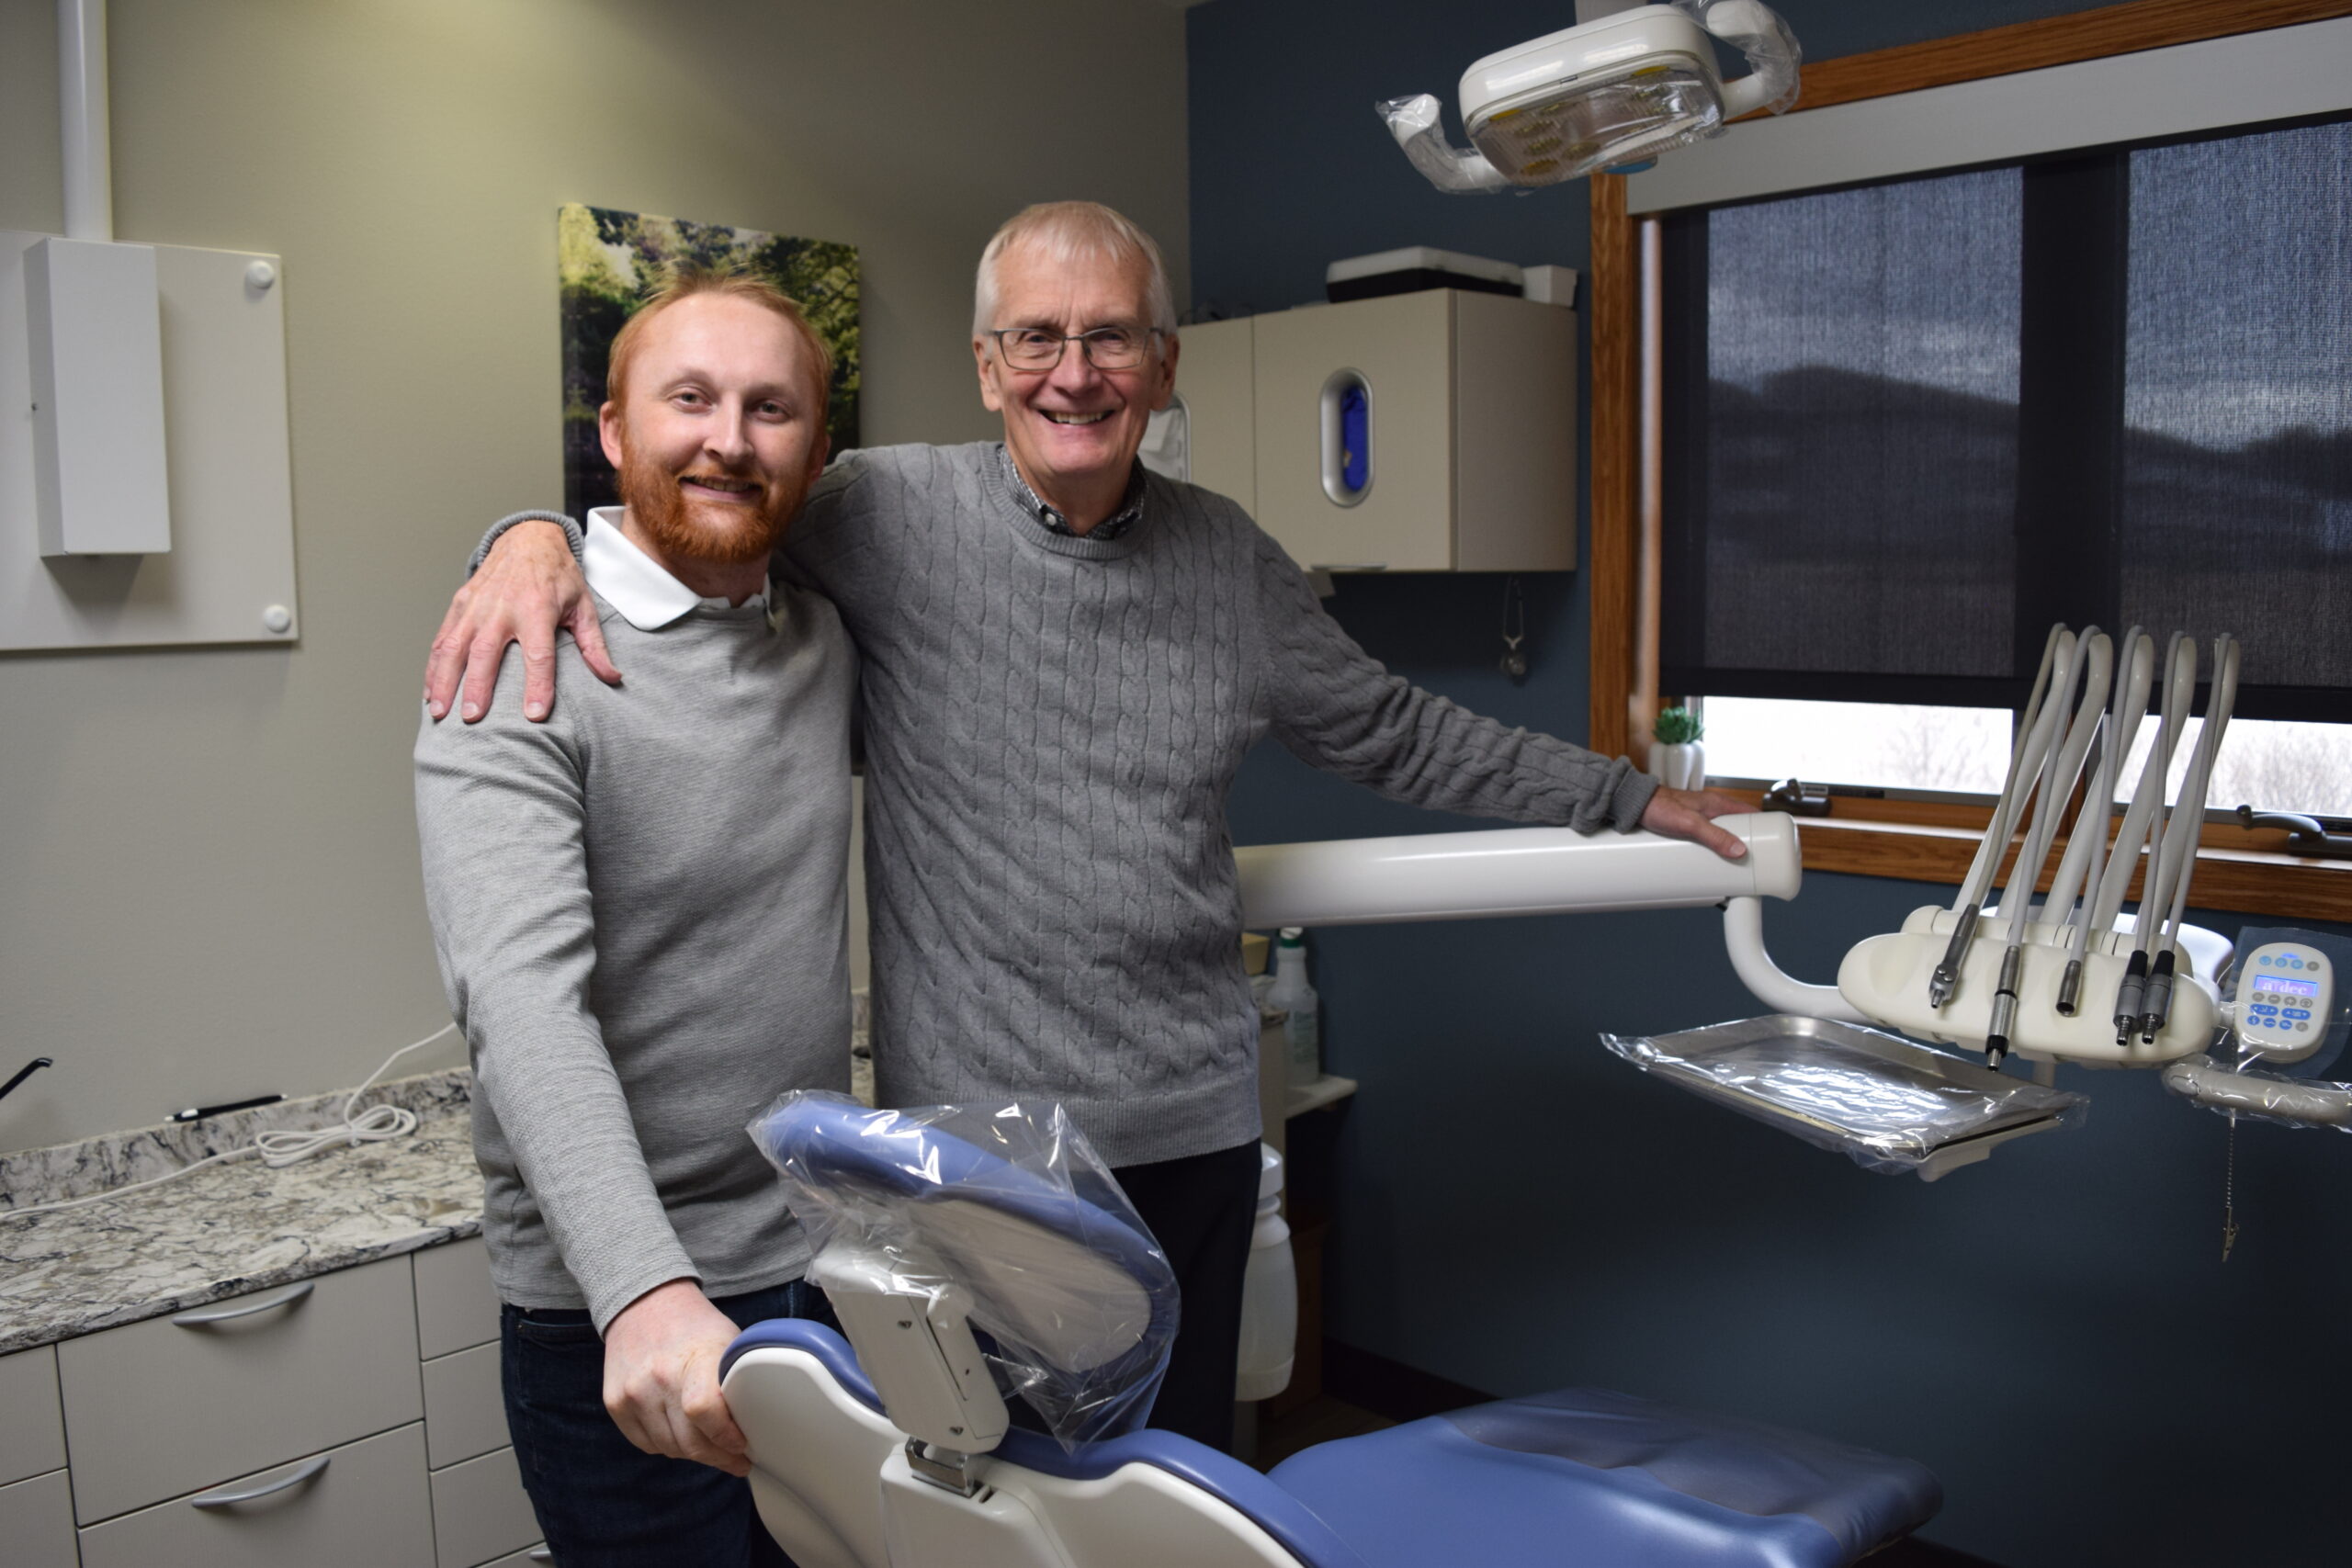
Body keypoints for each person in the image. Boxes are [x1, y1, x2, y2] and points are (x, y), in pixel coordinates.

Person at [425, 201, 1745, 1455]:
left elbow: (1396, 729)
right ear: (988, 367)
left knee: (1168, 1497)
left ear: (1162, 366)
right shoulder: (879, 513)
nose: (1075, 372)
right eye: (1037, 339)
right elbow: (694, 518)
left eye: (1110, 336)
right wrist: (525, 538)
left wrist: (1625, 795)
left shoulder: (1232, 564)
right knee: (989, 1513)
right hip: (971, 1167)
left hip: (1192, 1135)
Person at [414, 268, 851, 1568]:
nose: (729, 437)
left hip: (821, 1279)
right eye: (690, 399)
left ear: (816, 452)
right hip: (623, 1304)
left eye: (771, 408)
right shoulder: (520, 657)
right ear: (613, 434)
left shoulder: (821, 639)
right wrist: (647, 1295)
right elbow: (521, 1003)